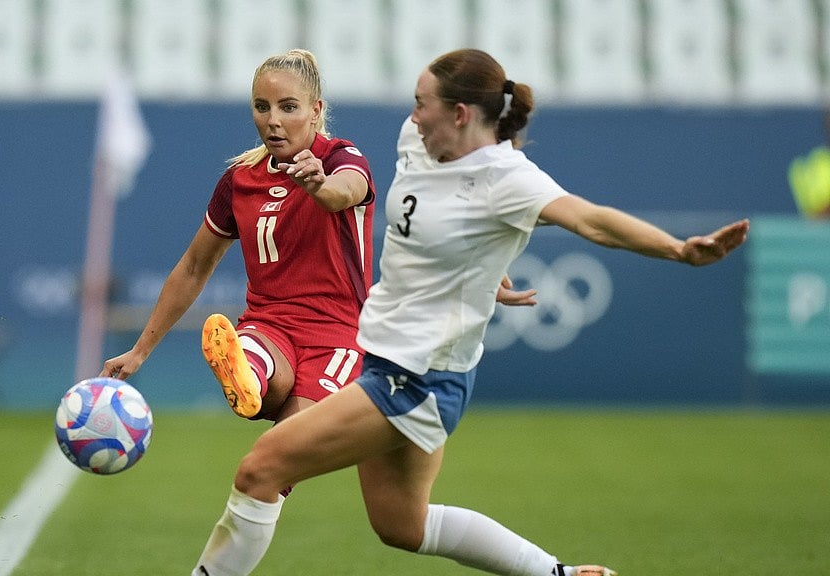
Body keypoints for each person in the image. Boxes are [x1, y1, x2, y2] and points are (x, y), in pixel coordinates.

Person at [189, 49, 750, 576]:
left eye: (421, 103)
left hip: (418, 377)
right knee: (402, 526)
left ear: (458, 114)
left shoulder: (508, 181)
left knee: (261, 470)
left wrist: (677, 249)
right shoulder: (417, 140)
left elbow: (592, 219)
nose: (411, 115)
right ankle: (557, 572)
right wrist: (480, 266)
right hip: (399, 366)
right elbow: (439, 231)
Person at [99, 49, 376, 423]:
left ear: (316, 109)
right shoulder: (241, 180)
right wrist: (140, 350)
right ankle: (247, 371)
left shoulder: (340, 158)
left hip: (335, 334)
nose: (273, 120)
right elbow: (195, 266)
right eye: (262, 107)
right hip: (268, 326)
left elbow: (345, 192)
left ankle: (252, 377)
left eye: (288, 107)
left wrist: (319, 185)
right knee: (255, 359)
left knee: (272, 464)